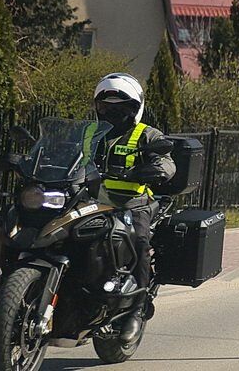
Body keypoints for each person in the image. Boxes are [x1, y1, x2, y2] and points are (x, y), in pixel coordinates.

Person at [88, 73, 175, 342]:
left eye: (121, 108)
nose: (113, 113)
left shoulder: (147, 134)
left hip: (133, 205)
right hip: (90, 202)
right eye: (106, 107)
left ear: (135, 109)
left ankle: (136, 310)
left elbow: (167, 163)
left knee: (139, 242)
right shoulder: (88, 132)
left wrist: (152, 171)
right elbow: (61, 151)